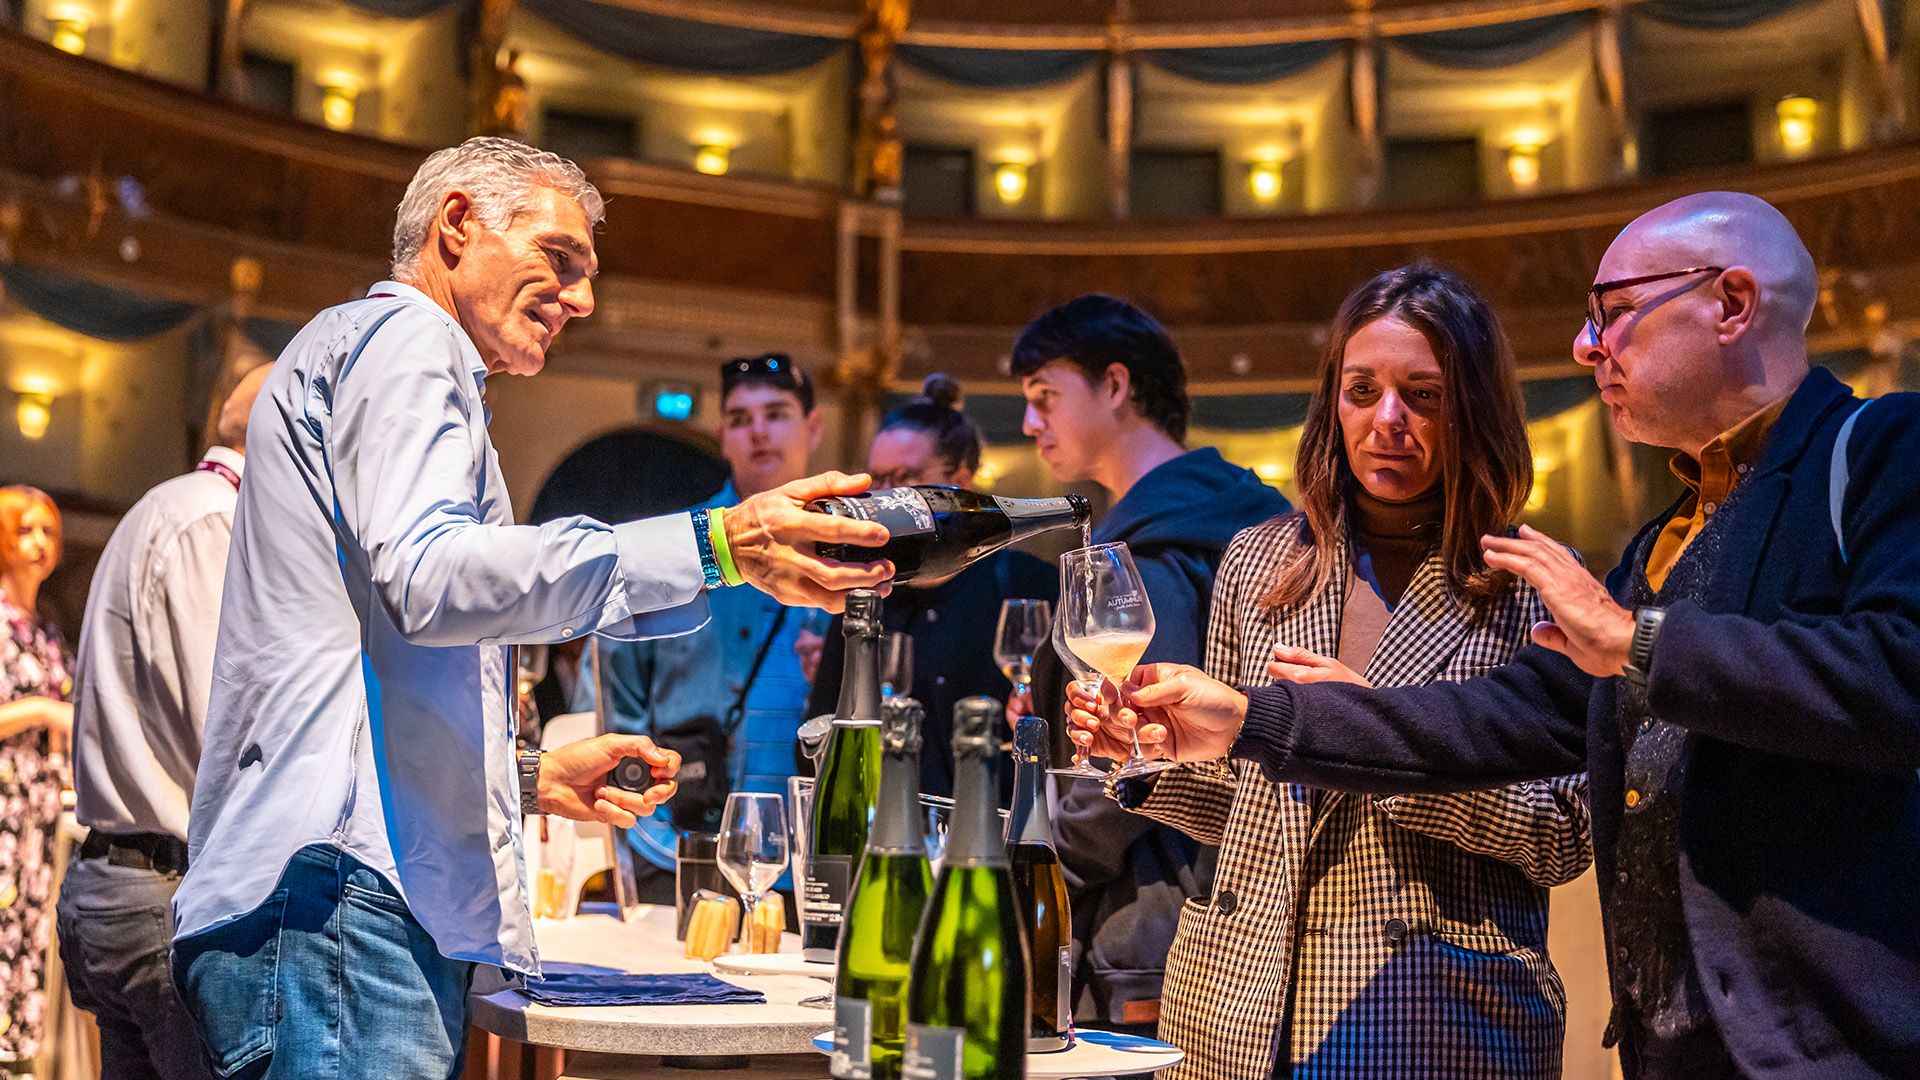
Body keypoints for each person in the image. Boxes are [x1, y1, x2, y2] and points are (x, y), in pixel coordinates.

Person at [1072, 192, 1920, 1079]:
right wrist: (1223, 728)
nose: (1588, 346)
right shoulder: (1663, 538)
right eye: (1360, 391)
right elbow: (1497, 719)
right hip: (1285, 1019)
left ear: (1733, 303)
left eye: (1615, 313)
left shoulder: (1881, 446)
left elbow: (1897, 673)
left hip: (1796, 1031)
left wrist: (1638, 641)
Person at [170, 137, 892, 1079]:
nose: (583, 299)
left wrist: (526, 782)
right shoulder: (407, 342)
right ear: (458, 224)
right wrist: (716, 545)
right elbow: (429, 579)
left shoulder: (370, 352)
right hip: (338, 907)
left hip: (325, 903)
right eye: (560, 259)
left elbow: (364, 667)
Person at [1111, 265, 1590, 1079]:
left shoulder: (1534, 583)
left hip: (1430, 1017)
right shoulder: (1262, 560)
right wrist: (1153, 754)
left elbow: (1565, 836)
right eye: (1361, 390)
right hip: (1235, 1008)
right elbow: (1245, 812)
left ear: (1473, 406)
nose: (1387, 420)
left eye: (1424, 395)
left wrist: (1377, 738)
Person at [1014, 294, 1290, 1030]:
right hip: (1217, 897)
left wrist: (1049, 869)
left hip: (1150, 907)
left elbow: (1144, 747)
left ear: (1115, 385)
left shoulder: (1154, 552)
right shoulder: (1230, 515)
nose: (1029, 424)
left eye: (1045, 397)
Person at [54, 362, 273, 1080]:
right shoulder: (215, 520)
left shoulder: (172, 505)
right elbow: (230, 736)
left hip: (121, 880)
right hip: (162, 894)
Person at [576, 353, 825, 897]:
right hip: (671, 853)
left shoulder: (853, 554)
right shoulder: (678, 551)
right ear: (722, 439)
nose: (758, 431)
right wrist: (640, 830)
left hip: (810, 870)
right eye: (740, 420)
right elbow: (605, 703)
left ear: (814, 427)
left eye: (776, 413)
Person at [805, 374, 1057, 797]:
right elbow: (817, 742)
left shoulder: (1027, 583)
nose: (882, 500)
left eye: (901, 477)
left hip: (1003, 835)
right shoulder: (863, 593)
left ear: (959, 484)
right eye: (875, 481)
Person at [0, 486, 72, 1071]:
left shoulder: (47, 632)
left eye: (48, 531)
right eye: (26, 530)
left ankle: (21, 1055)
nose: (40, 543)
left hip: (42, 810)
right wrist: (45, 710)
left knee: (32, 928)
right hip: (5, 801)